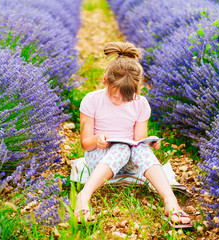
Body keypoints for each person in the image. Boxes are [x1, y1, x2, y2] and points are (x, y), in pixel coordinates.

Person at [75, 42, 192, 227]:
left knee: (138, 149)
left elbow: (138, 141)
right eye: (116, 97)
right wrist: (97, 140)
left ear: (137, 89)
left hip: (130, 164)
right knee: (121, 148)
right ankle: (84, 196)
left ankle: (170, 201)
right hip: (99, 159)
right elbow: (85, 144)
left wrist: (150, 143)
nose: (121, 102)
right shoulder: (92, 100)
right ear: (105, 81)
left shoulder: (141, 103)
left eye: (127, 98)